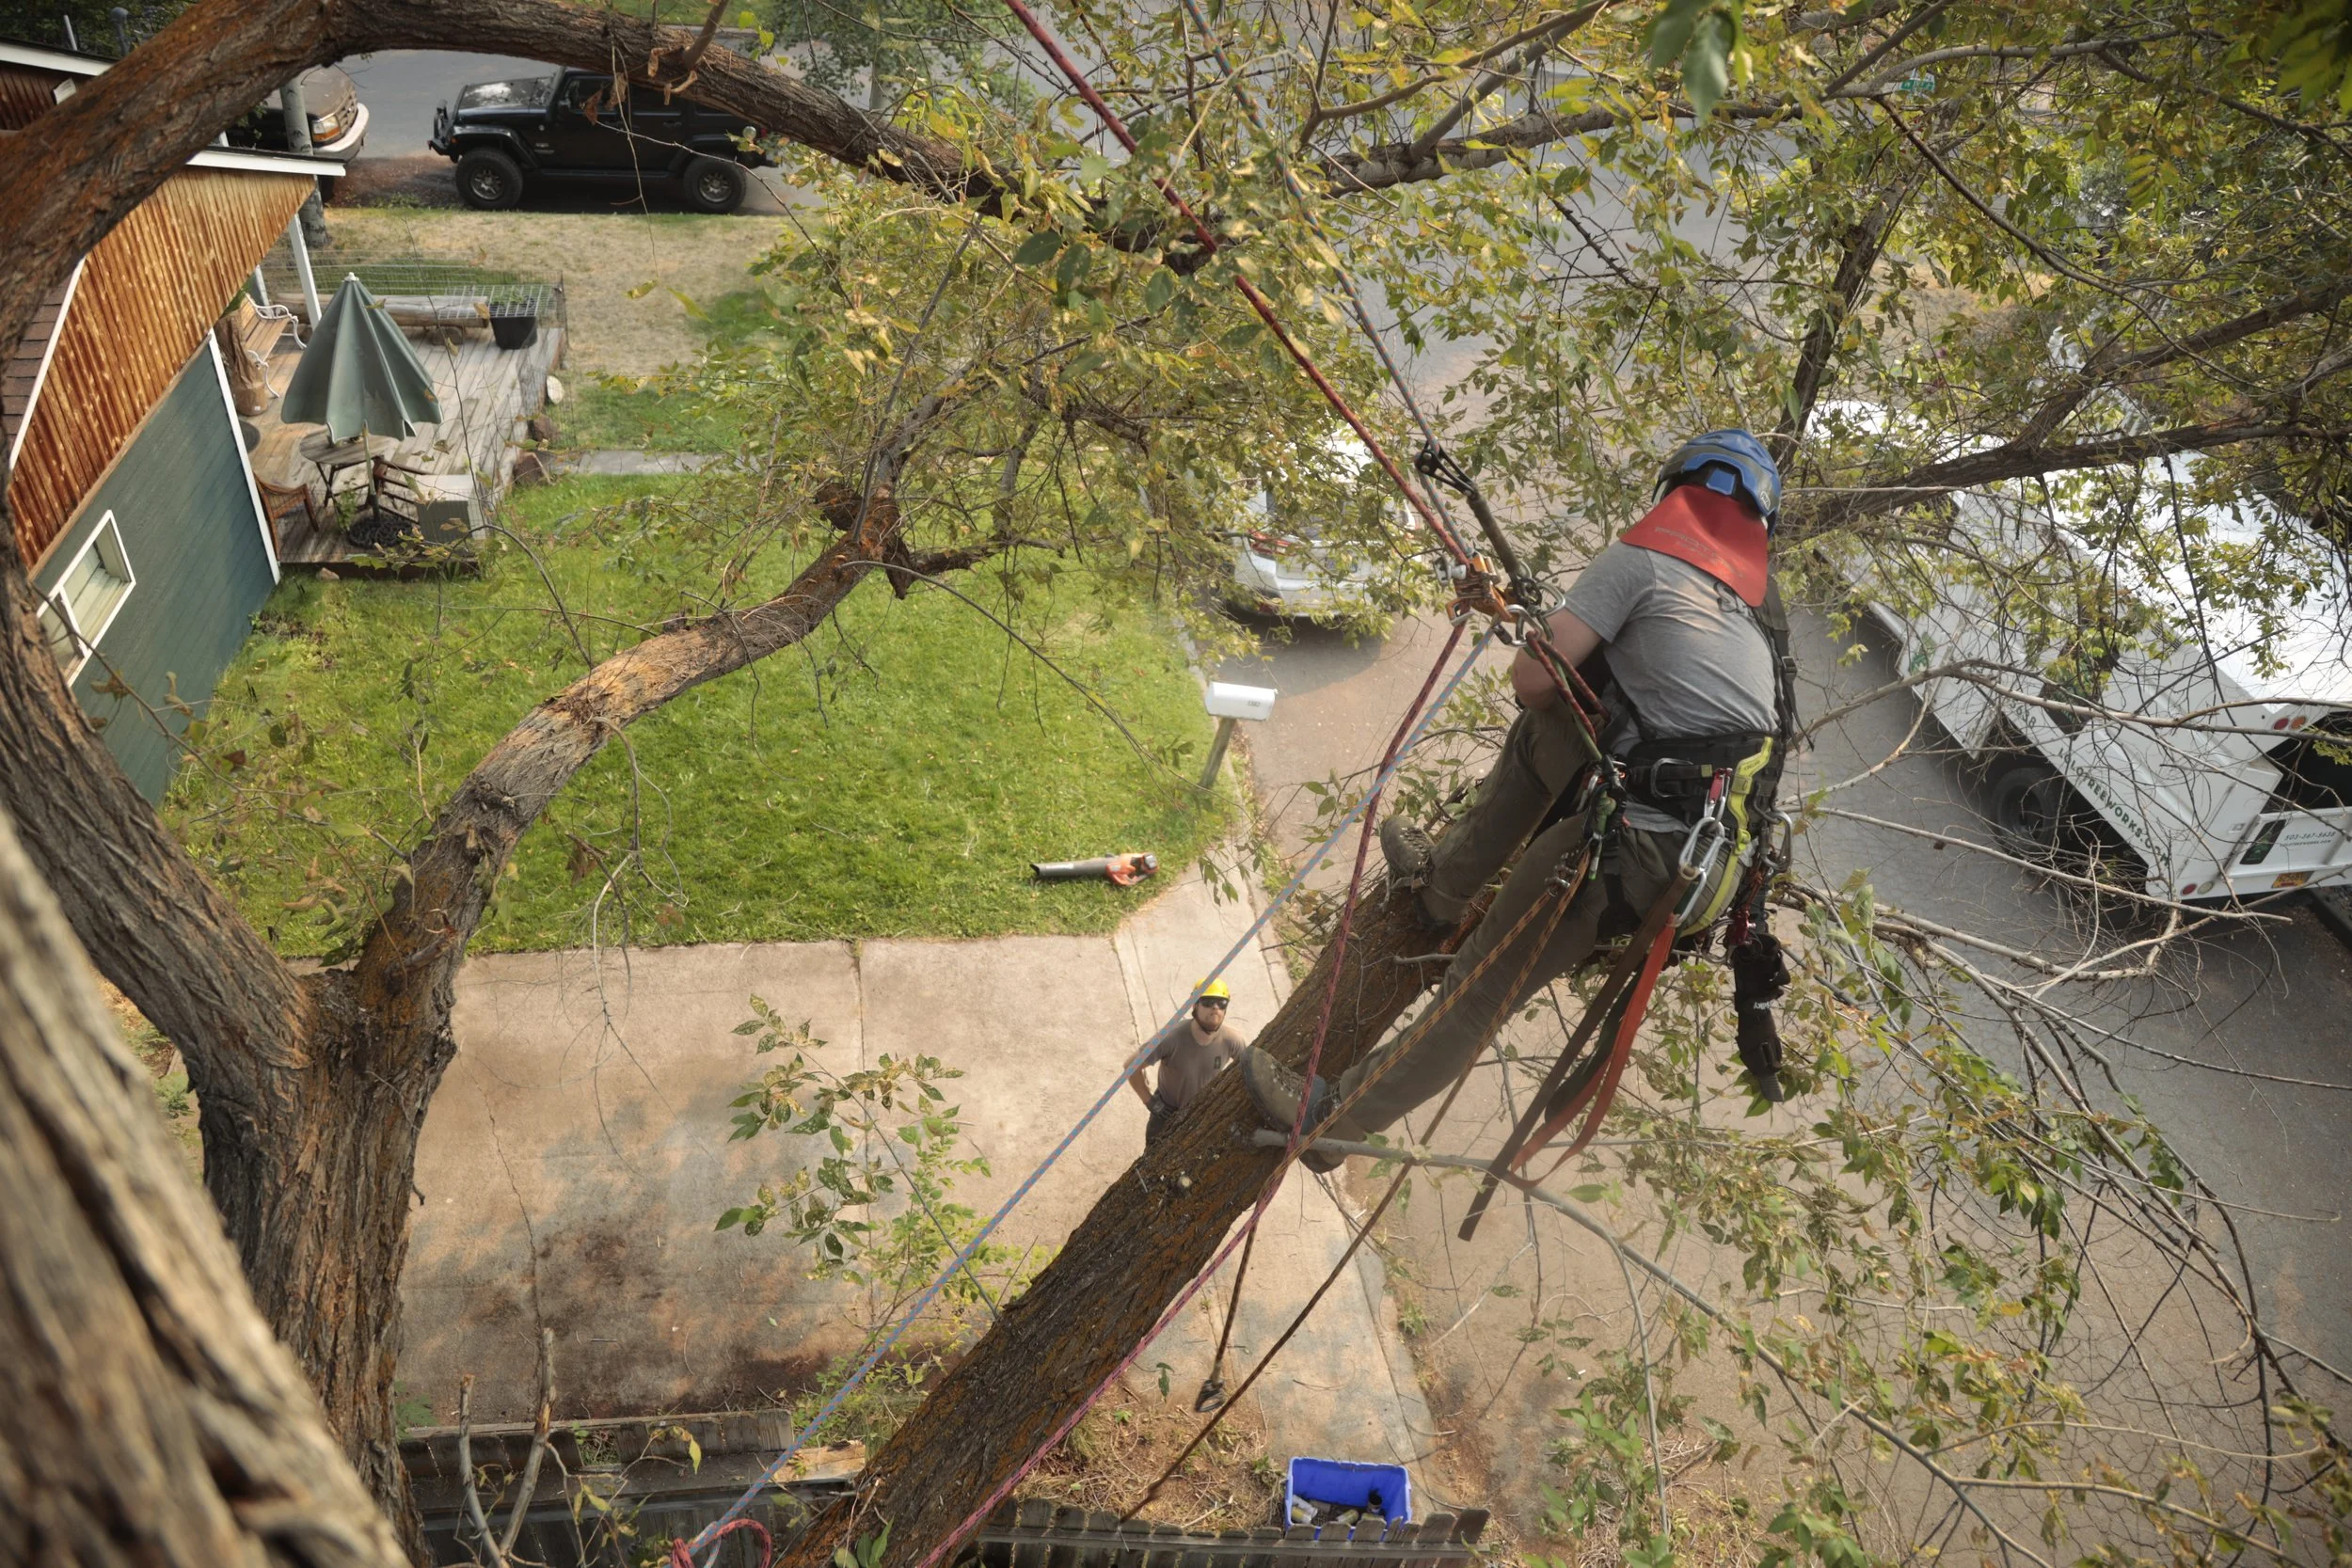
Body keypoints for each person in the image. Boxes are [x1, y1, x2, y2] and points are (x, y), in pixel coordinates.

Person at [1237, 429, 1799, 1167]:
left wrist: (1534, 638)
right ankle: (1442, 885)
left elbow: (1536, 680)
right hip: (1706, 860)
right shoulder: (1758, 617)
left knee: (1479, 986)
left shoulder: (1646, 558)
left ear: (1672, 494)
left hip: (1642, 854)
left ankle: (1331, 1121)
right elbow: (1615, 687)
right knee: (1557, 729)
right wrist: (1516, 614)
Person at [1131, 978, 1248, 1146]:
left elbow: (1249, 1072)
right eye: (1208, 1002)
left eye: (1221, 1003)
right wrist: (1150, 1102)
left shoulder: (1232, 1041)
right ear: (1194, 1005)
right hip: (1167, 1112)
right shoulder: (1170, 1037)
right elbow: (1130, 1066)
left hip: (1204, 1111)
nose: (1215, 1008)